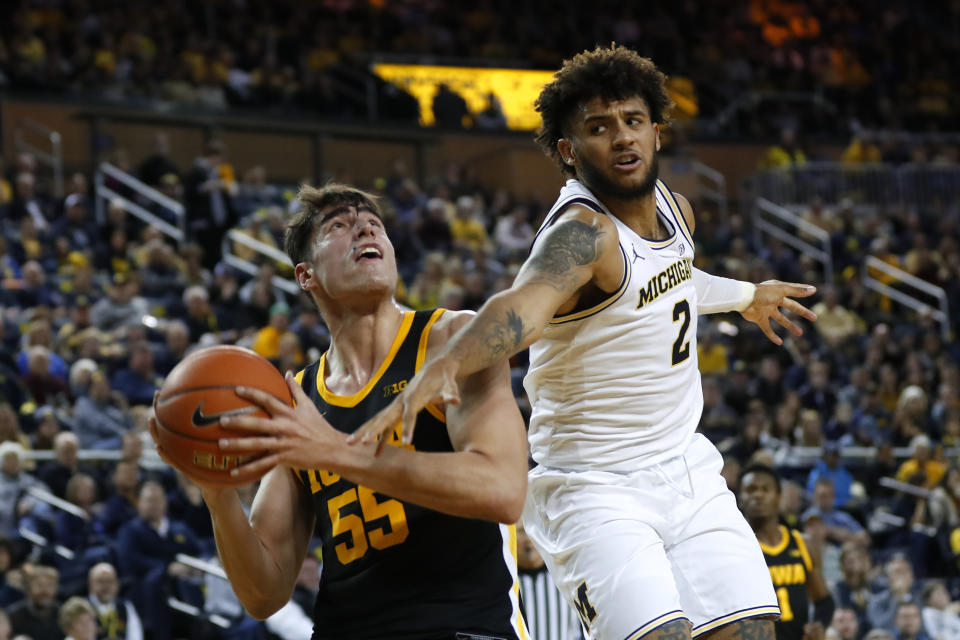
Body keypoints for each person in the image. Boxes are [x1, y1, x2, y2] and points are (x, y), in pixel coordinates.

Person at [353, 45, 817, 640]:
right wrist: (436, 374)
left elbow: (669, 282)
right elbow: (519, 309)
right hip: (595, 487)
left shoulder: (677, 211)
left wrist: (746, 295)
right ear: (569, 151)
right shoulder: (581, 235)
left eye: (632, 121)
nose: (622, 138)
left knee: (753, 633)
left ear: (656, 130)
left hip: (685, 467)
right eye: (599, 128)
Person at [149, 183, 530, 639]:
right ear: (305, 275)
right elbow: (263, 593)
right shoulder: (299, 400)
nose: (364, 229)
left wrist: (333, 451)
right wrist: (218, 495)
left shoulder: (453, 340)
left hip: (460, 626)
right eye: (339, 226)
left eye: (373, 224)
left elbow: (503, 490)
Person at [739, 464, 834, 640]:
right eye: (751, 490)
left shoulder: (803, 543)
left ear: (778, 497)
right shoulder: (737, 549)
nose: (758, 495)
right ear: (740, 498)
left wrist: (819, 626)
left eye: (765, 489)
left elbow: (824, 602)